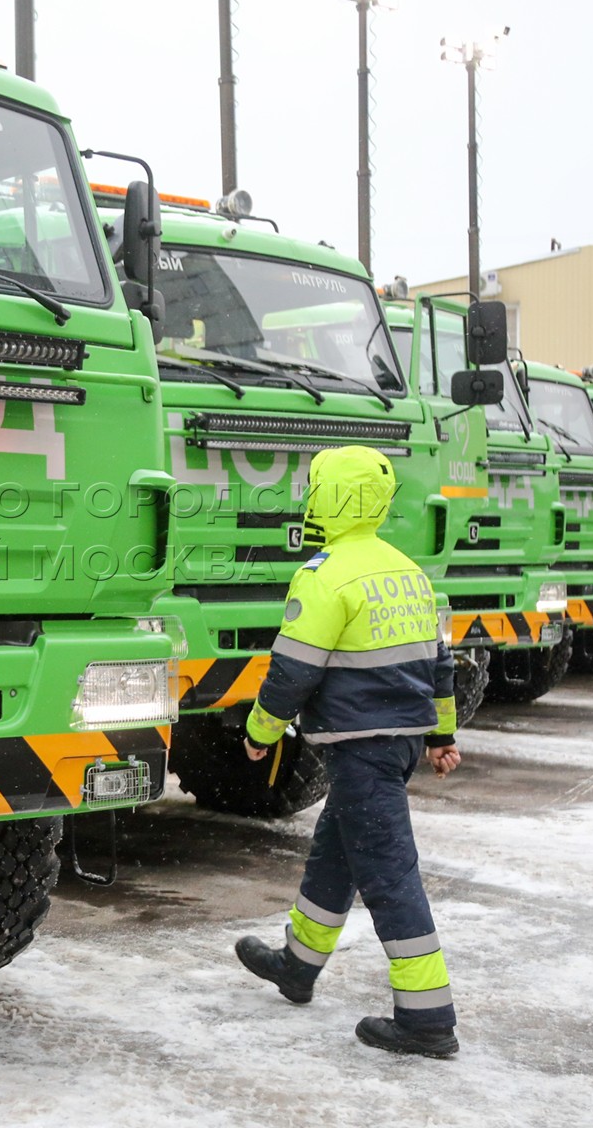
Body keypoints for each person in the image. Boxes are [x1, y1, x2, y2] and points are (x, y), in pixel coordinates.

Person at [233, 444, 463, 1058]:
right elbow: (441, 668)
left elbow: (292, 673)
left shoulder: (323, 573)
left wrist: (260, 732)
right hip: (400, 744)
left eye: (315, 488)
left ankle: (427, 1019)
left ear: (330, 497)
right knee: (336, 853)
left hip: (359, 747)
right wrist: (442, 737)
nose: (309, 498)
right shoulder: (410, 573)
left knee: (389, 874)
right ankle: (298, 964)